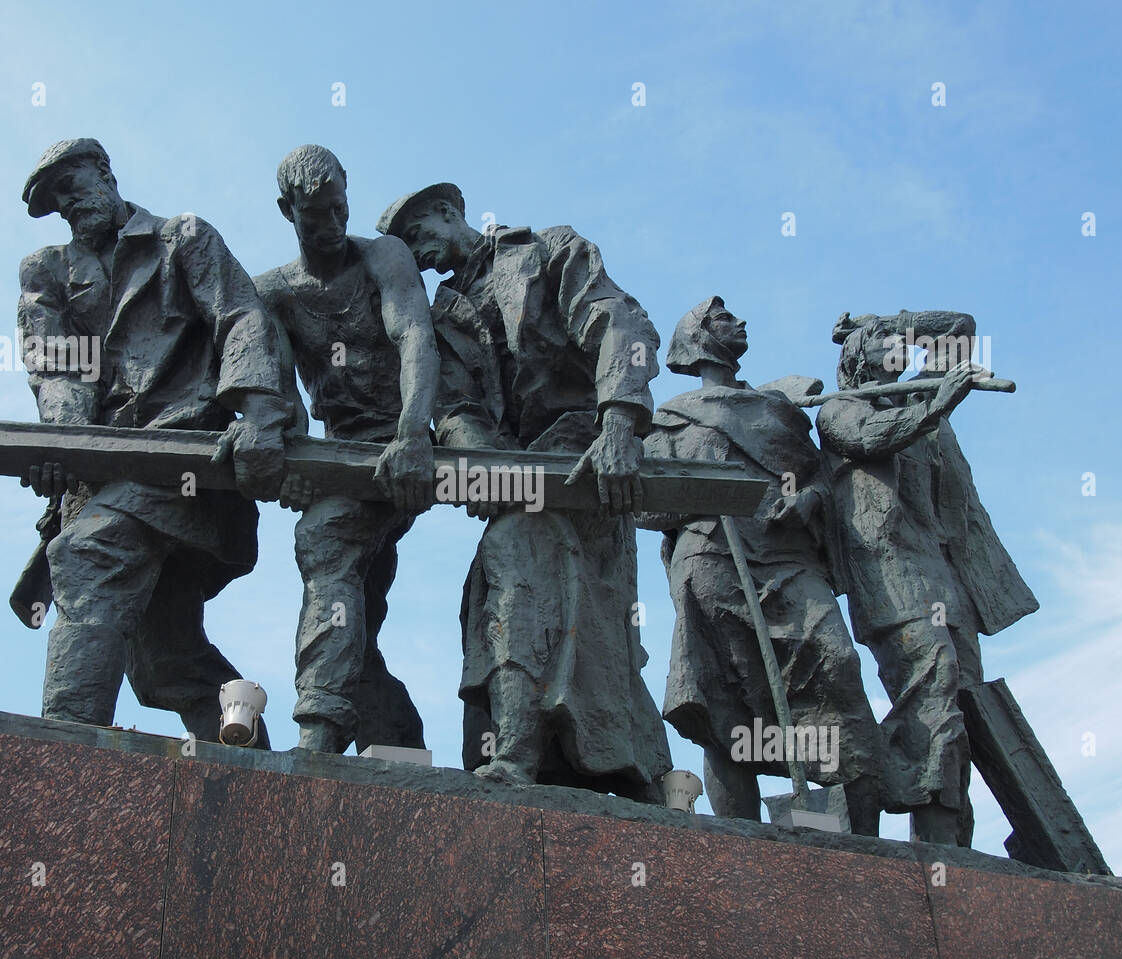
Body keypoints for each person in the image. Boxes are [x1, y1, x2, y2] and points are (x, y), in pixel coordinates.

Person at [377, 182, 672, 802]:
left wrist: (620, 420)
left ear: (448, 213)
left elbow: (621, 325)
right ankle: (556, 760)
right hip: (516, 478)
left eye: (418, 237)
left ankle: (527, 756)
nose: (418, 257)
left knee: (546, 588)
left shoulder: (547, 251)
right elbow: (454, 404)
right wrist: (478, 459)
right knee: (502, 587)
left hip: (585, 463)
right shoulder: (444, 312)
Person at [18, 138, 302, 747]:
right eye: (55, 201)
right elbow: (58, 370)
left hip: (186, 455)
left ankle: (58, 753)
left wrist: (257, 414)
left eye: (73, 184)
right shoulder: (47, 272)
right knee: (162, 660)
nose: (67, 204)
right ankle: (246, 751)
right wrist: (64, 448)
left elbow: (241, 318)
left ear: (105, 172)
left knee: (91, 557)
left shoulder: (183, 238)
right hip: (106, 473)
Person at [638, 297, 882, 834]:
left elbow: (818, 474)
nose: (742, 322)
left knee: (836, 662)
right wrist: (706, 493)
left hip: (787, 556)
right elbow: (647, 506)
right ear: (700, 337)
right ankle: (737, 839)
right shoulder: (671, 417)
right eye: (725, 317)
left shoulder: (777, 408)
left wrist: (810, 499)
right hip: (712, 559)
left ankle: (867, 846)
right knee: (727, 697)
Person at [815, 310, 1038, 844]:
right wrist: (941, 402)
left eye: (903, 342)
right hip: (891, 578)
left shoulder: (920, 401)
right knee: (930, 690)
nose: (901, 345)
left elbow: (959, 324)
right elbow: (871, 439)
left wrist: (892, 320)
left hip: (946, 578)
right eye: (886, 342)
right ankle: (870, 798)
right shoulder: (841, 410)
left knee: (962, 700)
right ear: (857, 356)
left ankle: (949, 838)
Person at [252, 145, 440, 754]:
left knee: (327, 542)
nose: (332, 226)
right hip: (338, 454)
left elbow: (412, 331)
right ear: (287, 211)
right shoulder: (273, 294)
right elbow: (278, 391)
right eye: (316, 216)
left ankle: (319, 727)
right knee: (361, 603)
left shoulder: (383, 255)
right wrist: (294, 458)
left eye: (340, 209)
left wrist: (414, 430)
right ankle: (396, 740)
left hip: (395, 447)